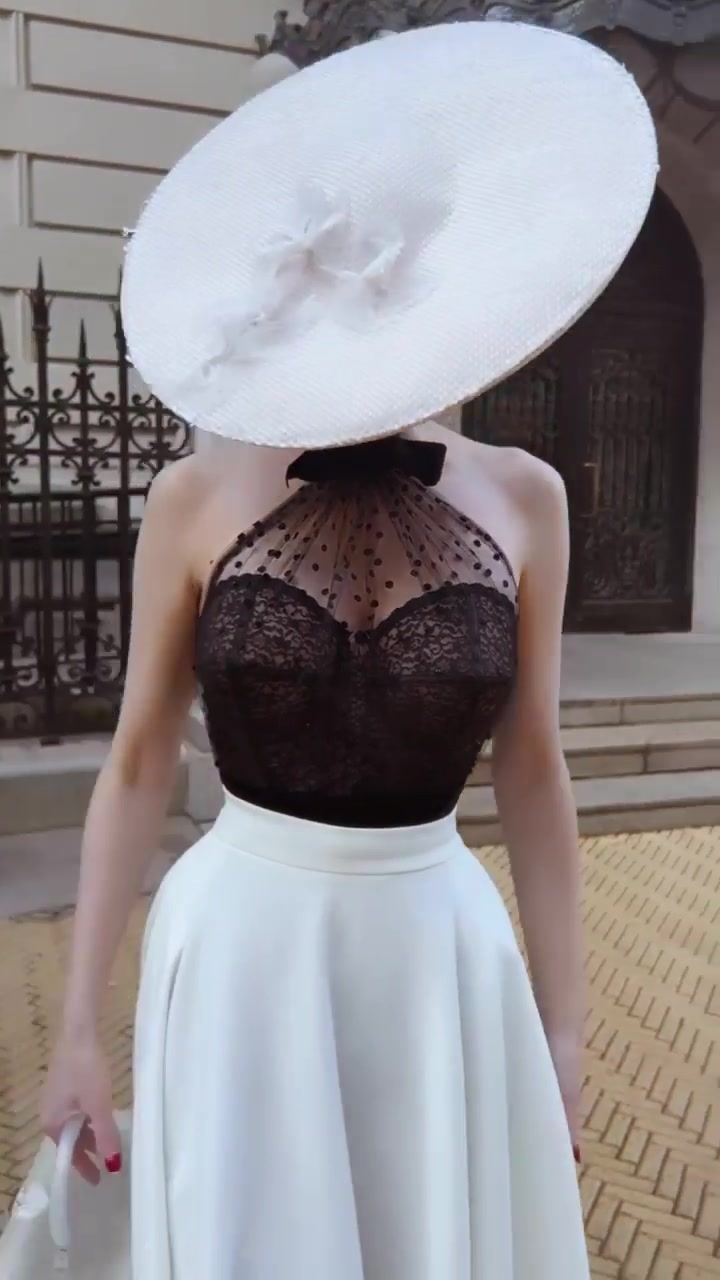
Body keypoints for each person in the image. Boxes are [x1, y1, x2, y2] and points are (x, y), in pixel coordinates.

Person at [39, 20, 657, 1280]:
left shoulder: (527, 496)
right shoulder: (193, 499)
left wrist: (564, 1031)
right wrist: (77, 1033)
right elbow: (138, 759)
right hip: (242, 944)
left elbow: (533, 769)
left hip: (437, 950)